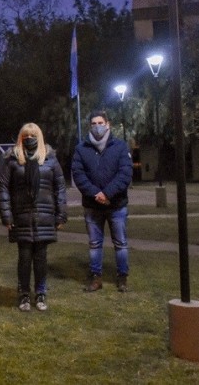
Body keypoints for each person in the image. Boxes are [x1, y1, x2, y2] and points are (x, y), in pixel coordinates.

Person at [0, 123, 67, 312]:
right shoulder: (12, 160)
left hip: (44, 216)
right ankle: (24, 294)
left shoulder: (50, 159)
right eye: (26, 135)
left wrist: (61, 215)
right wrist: (6, 215)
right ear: (21, 137)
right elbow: (3, 188)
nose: (29, 138)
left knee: (41, 257)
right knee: (25, 257)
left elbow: (60, 187)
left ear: (40, 137)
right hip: (21, 216)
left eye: (33, 135)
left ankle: (41, 293)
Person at [72, 110, 133, 292]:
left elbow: (125, 174)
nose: (97, 126)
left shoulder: (120, 147)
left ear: (108, 124)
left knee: (120, 243)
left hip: (116, 205)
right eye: (93, 123)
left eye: (100, 122)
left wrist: (107, 194)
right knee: (94, 244)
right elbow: (78, 174)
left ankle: (122, 277)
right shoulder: (81, 149)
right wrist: (95, 194)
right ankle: (96, 277)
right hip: (92, 206)